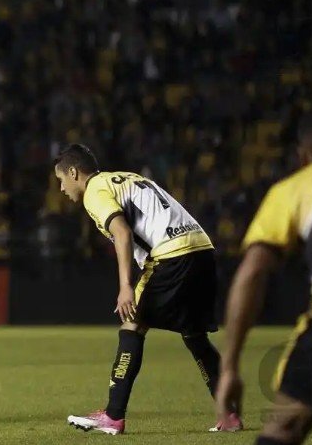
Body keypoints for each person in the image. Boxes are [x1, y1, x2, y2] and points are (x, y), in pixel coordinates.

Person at [55, 143, 242, 435]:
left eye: (61, 180)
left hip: (172, 255)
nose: (62, 188)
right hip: (202, 250)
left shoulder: (95, 190)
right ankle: (229, 415)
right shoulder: (125, 177)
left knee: (132, 324)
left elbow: (122, 233)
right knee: (195, 336)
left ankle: (113, 415)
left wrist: (125, 286)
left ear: (74, 172)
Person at [216, 109, 312, 445]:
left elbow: (252, 272)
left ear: (303, 155)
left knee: (283, 430)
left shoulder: (295, 187)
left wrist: (229, 369)